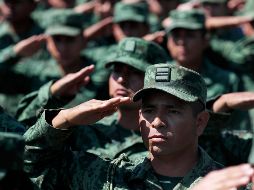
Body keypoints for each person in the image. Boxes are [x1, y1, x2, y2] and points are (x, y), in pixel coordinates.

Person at [24, 63, 222, 189]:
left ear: (200, 122)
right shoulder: (109, 175)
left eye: (173, 111)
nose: (157, 121)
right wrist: (65, 118)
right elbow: (33, 166)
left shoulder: (229, 185)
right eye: (149, 110)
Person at [17, 37, 170, 159]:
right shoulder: (85, 125)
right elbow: (24, 142)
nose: (122, 80)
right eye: (117, 70)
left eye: (135, 72)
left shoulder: (166, 138)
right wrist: (53, 95)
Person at [165, 9, 251, 130]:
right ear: (168, 41)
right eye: (176, 35)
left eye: (190, 35)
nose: (181, 42)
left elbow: (240, 129)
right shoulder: (156, 77)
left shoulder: (226, 80)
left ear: (205, 40)